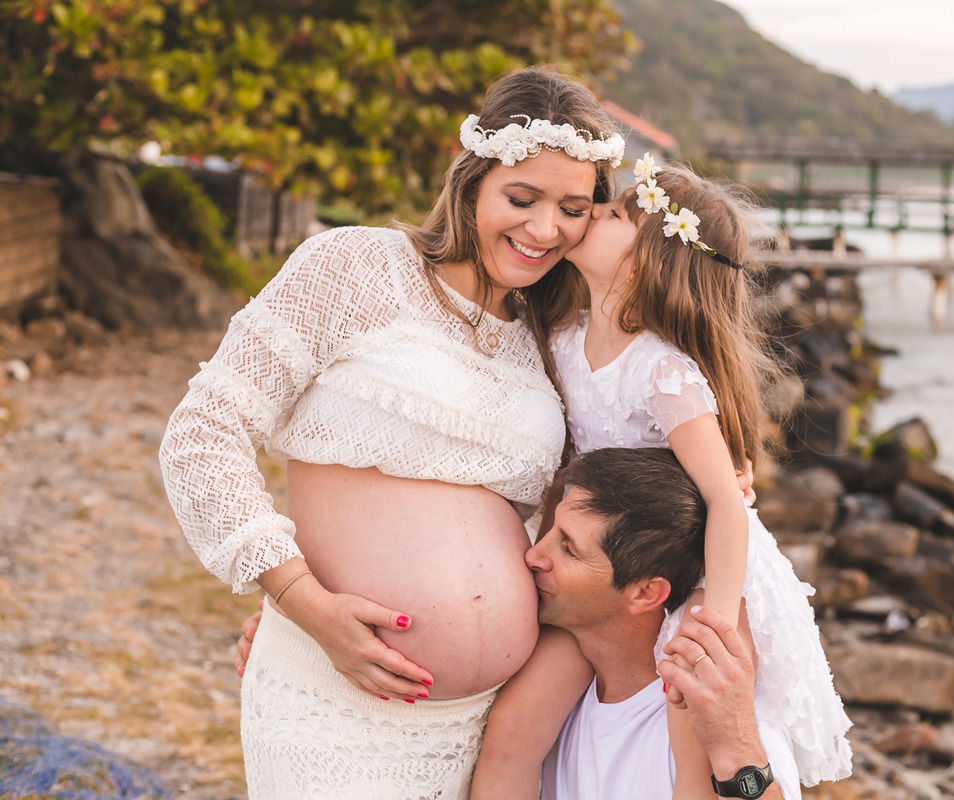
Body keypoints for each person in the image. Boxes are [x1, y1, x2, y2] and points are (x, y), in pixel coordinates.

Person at [158, 67, 626, 799]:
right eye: (521, 198)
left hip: (492, 726)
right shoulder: (355, 267)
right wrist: (300, 599)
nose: (545, 230)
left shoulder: (551, 335)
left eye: (573, 208)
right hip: (338, 699)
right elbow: (202, 434)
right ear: (471, 181)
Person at [473, 155, 853, 798]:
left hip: (705, 566)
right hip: (612, 557)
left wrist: (716, 618)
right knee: (513, 727)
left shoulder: (663, 370)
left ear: (648, 259)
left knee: (692, 708)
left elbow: (725, 502)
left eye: (615, 213)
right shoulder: (563, 337)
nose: (593, 211)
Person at [237, 448, 794, 799]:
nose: (533, 555)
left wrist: (736, 747)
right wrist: (297, 635)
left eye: (568, 549)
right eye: (548, 531)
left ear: (646, 593)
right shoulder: (547, 690)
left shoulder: (706, 717)